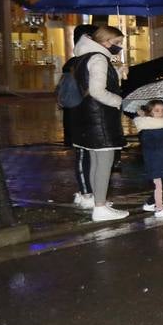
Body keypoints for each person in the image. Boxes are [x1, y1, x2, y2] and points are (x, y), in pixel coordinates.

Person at [64, 25, 129, 221]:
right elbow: (98, 91)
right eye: (116, 43)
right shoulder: (99, 58)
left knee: (95, 162)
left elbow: (90, 83)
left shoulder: (84, 57)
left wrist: (117, 73)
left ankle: (95, 201)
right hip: (100, 118)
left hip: (86, 117)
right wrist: (120, 102)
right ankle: (100, 208)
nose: (119, 47)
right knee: (104, 164)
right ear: (104, 41)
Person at [61, 24, 98, 209]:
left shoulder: (79, 62)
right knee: (84, 154)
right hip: (81, 116)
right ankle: (85, 193)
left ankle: (88, 192)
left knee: (89, 155)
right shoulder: (78, 63)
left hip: (83, 116)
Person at [133, 99, 163, 220]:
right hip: (156, 161)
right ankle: (159, 209)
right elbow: (150, 142)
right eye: (157, 110)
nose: (161, 113)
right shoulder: (146, 127)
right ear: (150, 112)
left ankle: (149, 203)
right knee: (159, 185)